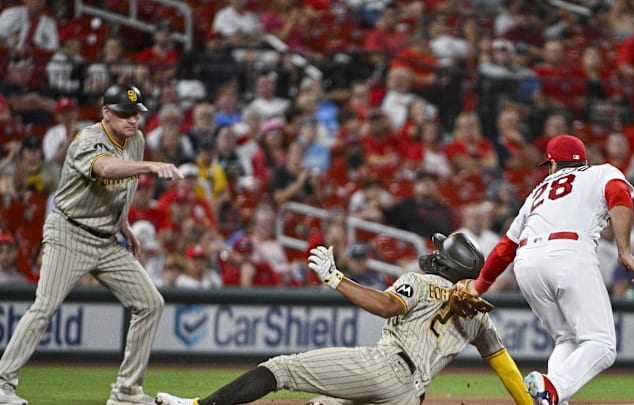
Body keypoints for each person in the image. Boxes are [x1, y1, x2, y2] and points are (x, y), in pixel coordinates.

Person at [155, 232, 532, 405]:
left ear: (443, 264)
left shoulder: (420, 281)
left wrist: (336, 279)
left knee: (281, 369)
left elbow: (386, 306)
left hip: (388, 369)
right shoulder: (478, 316)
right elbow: (505, 367)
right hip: (412, 396)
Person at [0, 84, 183, 405]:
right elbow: (106, 169)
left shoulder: (136, 140)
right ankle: (2, 384)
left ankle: (127, 392)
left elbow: (123, 188)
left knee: (150, 303)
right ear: (106, 113)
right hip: (70, 233)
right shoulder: (87, 139)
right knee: (44, 308)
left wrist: (124, 223)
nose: (132, 120)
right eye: (124, 114)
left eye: (136, 114)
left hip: (107, 238)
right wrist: (151, 166)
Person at [456, 135, 634, 404]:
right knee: (602, 344)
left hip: (527, 262)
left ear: (553, 164)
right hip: (569, 253)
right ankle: (552, 387)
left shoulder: (536, 194)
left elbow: (506, 247)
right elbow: (619, 194)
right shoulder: (600, 172)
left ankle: (551, 399)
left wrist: (477, 287)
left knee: (567, 338)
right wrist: (624, 249)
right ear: (583, 161)